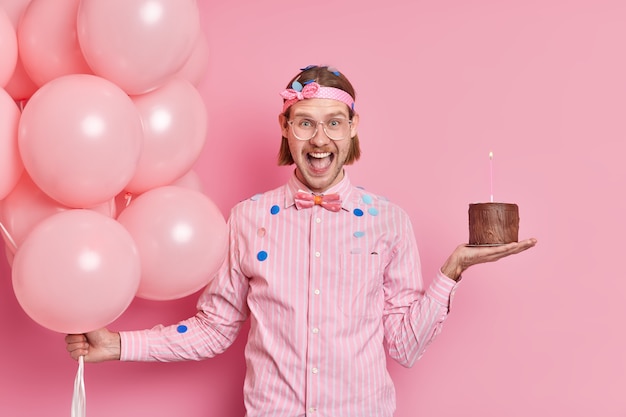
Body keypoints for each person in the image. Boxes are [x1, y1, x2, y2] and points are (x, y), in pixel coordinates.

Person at [66, 65, 537, 417]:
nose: (319, 138)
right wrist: (118, 345)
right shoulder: (247, 220)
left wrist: (453, 269)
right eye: (305, 122)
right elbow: (214, 328)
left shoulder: (389, 222)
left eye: (334, 122)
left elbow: (406, 347)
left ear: (352, 130)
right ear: (286, 129)